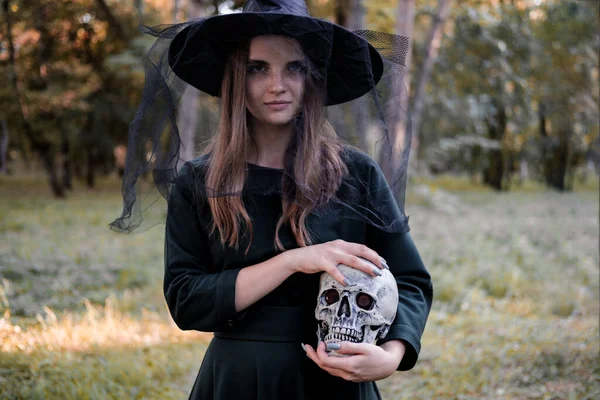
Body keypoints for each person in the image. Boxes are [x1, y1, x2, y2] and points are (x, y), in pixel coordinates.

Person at [110, 1, 433, 399]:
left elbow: (411, 279)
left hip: (336, 385)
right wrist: (293, 260)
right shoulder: (197, 182)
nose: (276, 84)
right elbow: (186, 299)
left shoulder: (356, 173)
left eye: (293, 67)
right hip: (239, 381)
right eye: (257, 68)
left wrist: (391, 354)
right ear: (234, 79)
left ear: (313, 77)